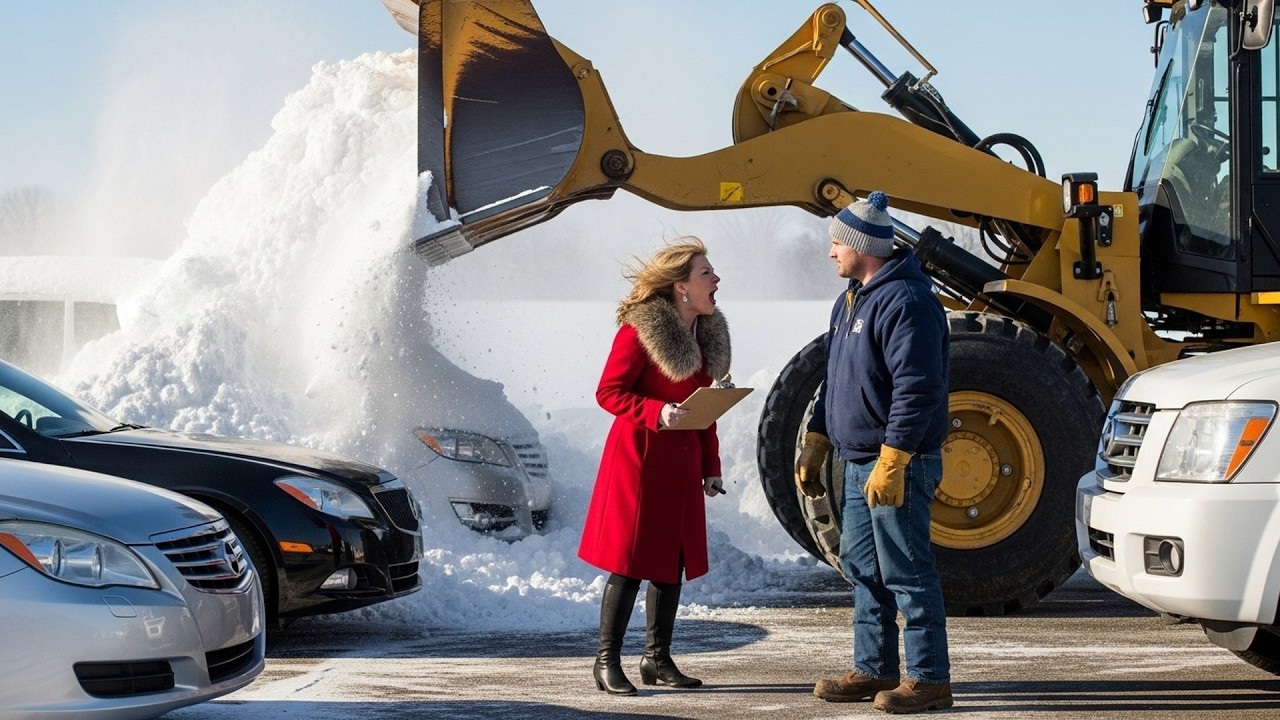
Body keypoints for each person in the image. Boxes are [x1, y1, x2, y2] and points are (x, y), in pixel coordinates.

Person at [795, 191, 953, 713]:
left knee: (907, 572)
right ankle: (874, 669)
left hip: (897, 464)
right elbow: (835, 378)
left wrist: (895, 457)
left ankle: (929, 679)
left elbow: (918, 387)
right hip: (859, 461)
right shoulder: (851, 300)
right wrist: (818, 438)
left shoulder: (906, 302)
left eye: (836, 242)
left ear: (862, 246)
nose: (830, 253)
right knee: (864, 569)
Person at [578, 237, 730, 696]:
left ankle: (657, 660)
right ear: (681, 287)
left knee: (672, 563)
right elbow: (608, 393)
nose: (716, 280)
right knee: (629, 562)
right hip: (638, 462)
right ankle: (606, 662)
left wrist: (712, 466)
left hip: (681, 465)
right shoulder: (639, 331)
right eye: (706, 274)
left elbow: (703, 409)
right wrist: (656, 412)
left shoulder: (702, 337)